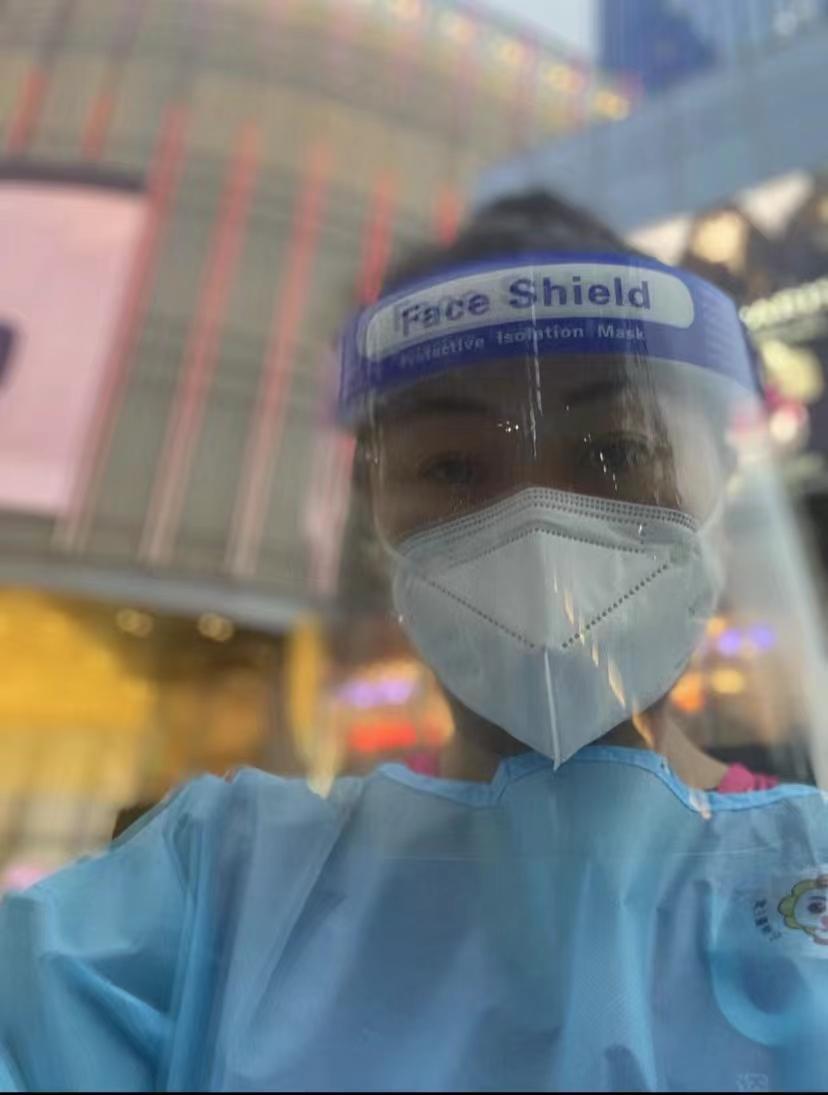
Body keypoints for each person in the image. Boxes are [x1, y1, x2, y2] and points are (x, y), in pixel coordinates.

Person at [1, 191, 827, 1092]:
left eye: (617, 451)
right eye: (453, 465)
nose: (538, 533)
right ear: (376, 513)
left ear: (723, 477)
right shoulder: (213, 896)